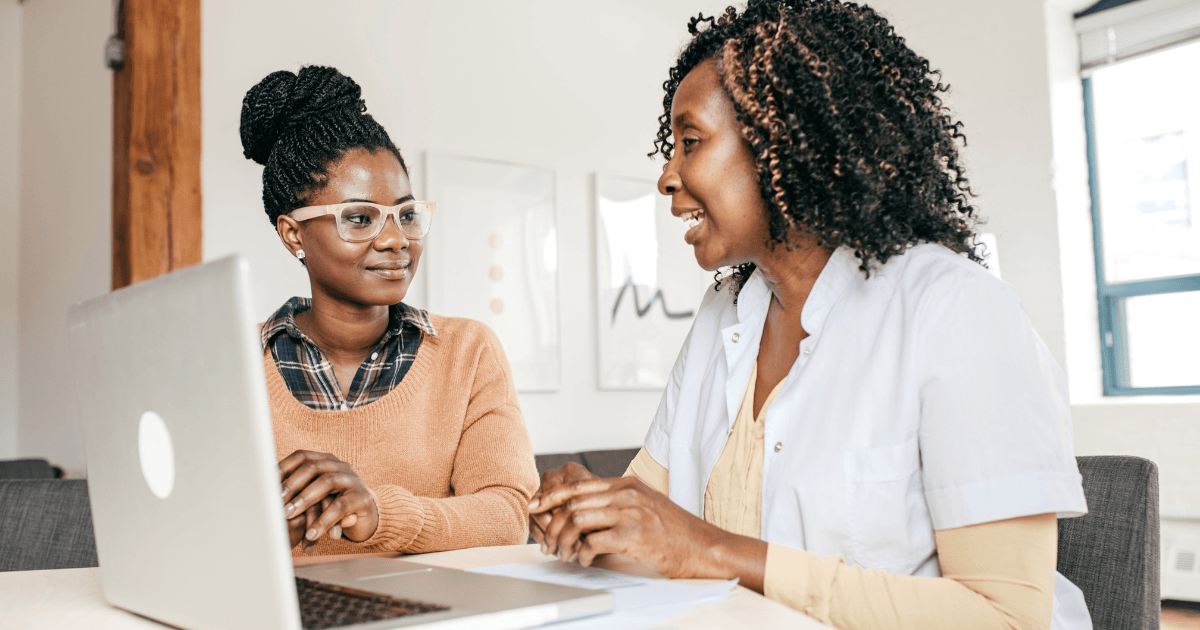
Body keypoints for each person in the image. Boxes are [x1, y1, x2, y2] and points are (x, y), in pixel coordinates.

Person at [528, 2, 1092, 629]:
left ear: (781, 142)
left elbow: (1006, 617)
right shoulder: (723, 317)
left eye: (690, 143)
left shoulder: (955, 310)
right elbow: (654, 536)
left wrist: (711, 549)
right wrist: (590, 512)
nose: (667, 177)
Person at [240, 65, 538, 556]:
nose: (397, 239)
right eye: (359, 218)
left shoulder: (467, 352)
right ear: (293, 234)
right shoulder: (234, 362)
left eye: (406, 214)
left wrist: (379, 514)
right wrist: (255, 531)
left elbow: (508, 516)